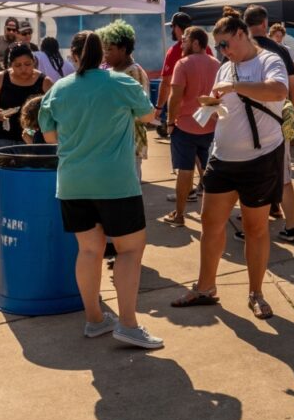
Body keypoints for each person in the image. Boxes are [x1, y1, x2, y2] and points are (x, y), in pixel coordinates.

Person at [38, 30, 160, 348]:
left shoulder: (58, 89)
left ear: (74, 56)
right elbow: (148, 115)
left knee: (89, 251)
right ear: (103, 55)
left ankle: (94, 320)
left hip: (72, 183)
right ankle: (128, 325)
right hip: (116, 182)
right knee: (130, 250)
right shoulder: (121, 83)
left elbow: (49, 138)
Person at [171, 7, 289, 318]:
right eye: (219, 47)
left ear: (241, 33)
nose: (223, 51)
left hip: (259, 158)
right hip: (222, 157)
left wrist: (236, 87)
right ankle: (205, 287)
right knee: (211, 224)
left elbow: (279, 91)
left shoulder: (268, 61)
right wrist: (211, 106)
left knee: (255, 229)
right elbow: (227, 105)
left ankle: (256, 293)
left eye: (225, 44)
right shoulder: (225, 67)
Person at [0, 42, 54, 255]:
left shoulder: (44, 81)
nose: (23, 70)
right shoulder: (1, 78)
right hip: (1, 141)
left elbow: (60, 107)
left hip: (33, 145)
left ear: (34, 62)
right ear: (10, 65)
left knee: (32, 192)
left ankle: (32, 235)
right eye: (18, 65)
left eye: (27, 64)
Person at [244, 5, 294, 241]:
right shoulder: (281, 50)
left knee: (249, 176)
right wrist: (291, 118)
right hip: (278, 122)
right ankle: (290, 225)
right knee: (284, 176)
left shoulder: (241, 50)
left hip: (247, 123)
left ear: (245, 25)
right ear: (265, 24)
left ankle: (251, 226)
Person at [162, 27, 220, 227]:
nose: (182, 44)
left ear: (196, 43)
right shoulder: (217, 64)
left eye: (185, 40)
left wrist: (170, 122)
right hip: (210, 125)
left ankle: (179, 215)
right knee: (209, 170)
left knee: (184, 171)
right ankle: (214, 216)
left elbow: (175, 96)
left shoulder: (183, 63)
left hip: (185, 127)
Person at [100, 20, 153, 179]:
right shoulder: (112, 70)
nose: (105, 54)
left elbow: (140, 113)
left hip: (130, 142)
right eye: (104, 50)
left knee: (129, 188)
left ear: (123, 50)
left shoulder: (133, 73)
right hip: (113, 142)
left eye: (109, 50)